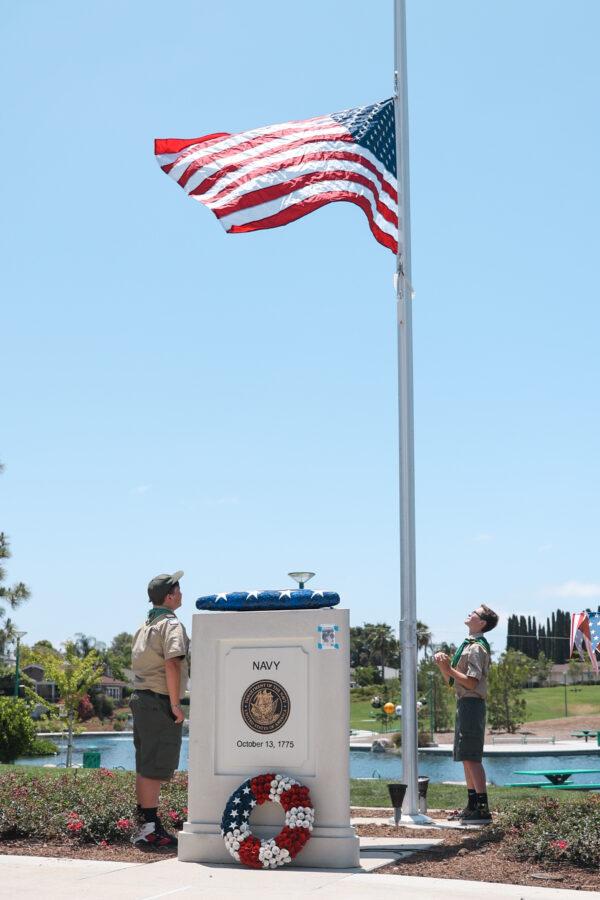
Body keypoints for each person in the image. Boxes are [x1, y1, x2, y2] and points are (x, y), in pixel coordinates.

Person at [129, 570, 190, 849]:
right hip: (159, 702)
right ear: (169, 596)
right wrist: (176, 704)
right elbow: (173, 663)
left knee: (145, 764)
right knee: (156, 767)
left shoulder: (143, 626)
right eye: (178, 590)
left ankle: (145, 824)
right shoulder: (170, 625)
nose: (181, 593)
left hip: (141, 700)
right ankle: (149, 830)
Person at [434, 604, 499, 824]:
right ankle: (472, 805)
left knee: (471, 756)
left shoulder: (477, 648)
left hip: (472, 704)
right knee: (465, 757)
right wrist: (444, 666)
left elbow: (472, 682)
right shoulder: (468, 645)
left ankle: (482, 808)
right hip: (464, 703)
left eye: (475, 613)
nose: (470, 613)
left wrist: (449, 668)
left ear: (481, 623)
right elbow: (453, 682)